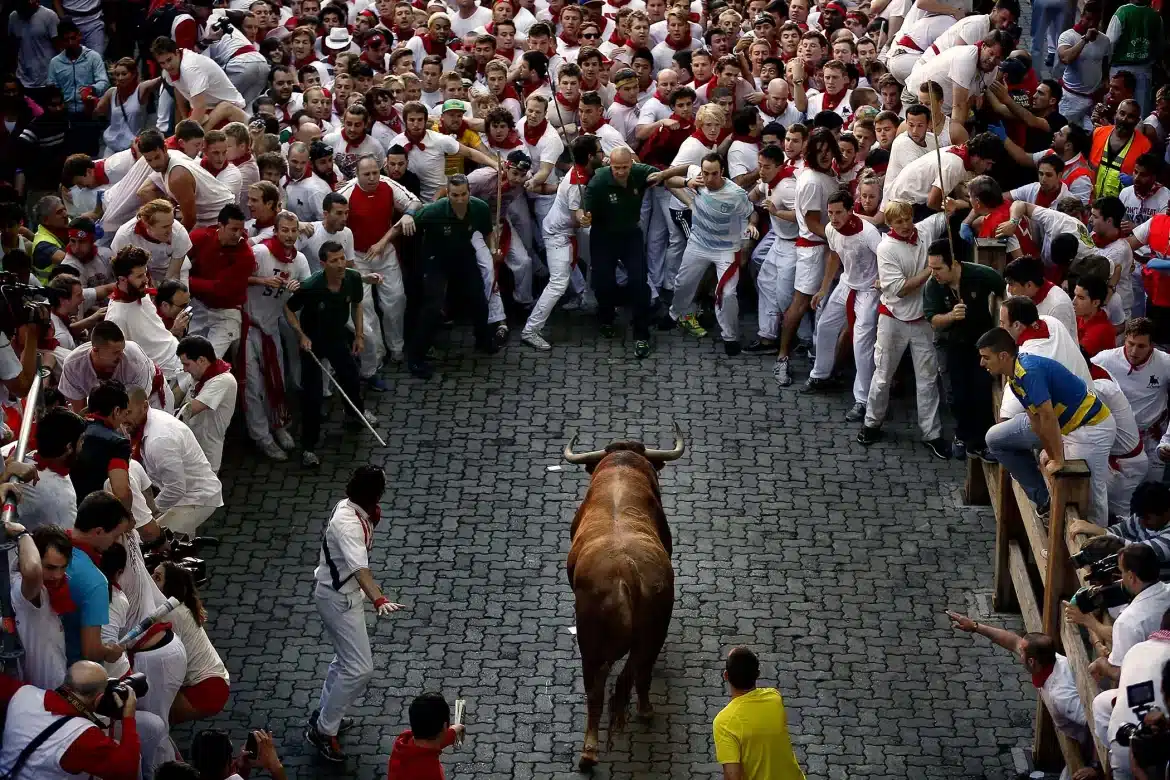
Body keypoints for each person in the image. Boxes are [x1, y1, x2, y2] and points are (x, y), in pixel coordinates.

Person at [306, 465, 404, 762]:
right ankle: (324, 730)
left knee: (345, 662)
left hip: (341, 596)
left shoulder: (350, 508)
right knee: (360, 668)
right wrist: (379, 599)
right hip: (338, 600)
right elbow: (361, 570)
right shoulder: (348, 525)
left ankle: (325, 716)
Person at [979, 326, 1117, 523]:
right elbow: (1036, 421)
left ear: (1002, 356)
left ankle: (1095, 548)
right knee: (997, 439)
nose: (982, 363)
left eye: (986, 357)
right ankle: (1046, 502)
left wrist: (1058, 459)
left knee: (1092, 496)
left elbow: (1048, 417)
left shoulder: (1028, 371)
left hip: (1090, 428)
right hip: (1068, 426)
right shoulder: (1015, 376)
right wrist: (1051, 453)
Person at [857, 203, 950, 458]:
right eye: (899, 222)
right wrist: (931, 271)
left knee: (928, 378)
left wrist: (954, 204)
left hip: (923, 320)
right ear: (890, 225)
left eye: (908, 219)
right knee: (883, 374)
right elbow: (900, 289)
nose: (906, 226)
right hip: (893, 320)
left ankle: (932, 433)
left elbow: (944, 216)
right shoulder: (886, 248)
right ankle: (872, 422)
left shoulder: (924, 230)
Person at [583, 146, 679, 359]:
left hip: (630, 235)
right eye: (617, 168)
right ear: (610, 165)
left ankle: (641, 334)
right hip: (603, 236)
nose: (621, 172)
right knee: (603, 282)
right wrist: (584, 218)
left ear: (631, 165)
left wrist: (679, 179)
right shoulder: (598, 182)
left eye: (625, 167)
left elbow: (667, 176)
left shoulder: (639, 172)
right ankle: (606, 317)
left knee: (639, 282)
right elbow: (584, 211)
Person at [284, 241, 376, 467]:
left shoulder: (353, 278)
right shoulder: (312, 286)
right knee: (313, 397)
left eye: (342, 258)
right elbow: (289, 308)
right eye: (334, 261)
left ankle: (356, 413)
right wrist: (300, 335)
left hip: (336, 338)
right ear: (323, 263)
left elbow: (357, 305)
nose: (340, 264)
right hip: (312, 344)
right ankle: (308, 447)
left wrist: (359, 335)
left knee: (351, 377)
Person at [946, 612, 1091, 749]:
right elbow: (1012, 641)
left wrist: (1094, 767)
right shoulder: (1053, 660)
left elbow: (1097, 725)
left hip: (1087, 748)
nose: (1017, 650)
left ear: (1032, 662)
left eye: (1021, 652)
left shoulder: (1061, 696)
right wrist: (975, 627)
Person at [924, 239, 1006, 461]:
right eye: (931, 268)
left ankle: (979, 442)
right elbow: (932, 319)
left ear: (954, 264)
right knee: (955, 393)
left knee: (980, 390)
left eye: (938, 268)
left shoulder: (981, 275)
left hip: (978, 343)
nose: (934, 274)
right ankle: (962, 435)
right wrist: (950, 316)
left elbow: (1004, 289)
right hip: (950, 343)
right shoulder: (933, 286)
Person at [337, 155, 420, 376]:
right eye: (367, 174)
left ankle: (397, 347)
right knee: (364, 306)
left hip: (385, 253)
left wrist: (408, 215)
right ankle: (376, 353)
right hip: (357, 257)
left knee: (396, 299)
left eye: (375, 172)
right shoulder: (346, 194)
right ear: (357, 175)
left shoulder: (388, 185)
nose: (373, 177)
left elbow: (414, 201)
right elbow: (332, 221)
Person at [666, 152, 755, 355]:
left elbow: (751, 213)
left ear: (722, 172)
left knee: (729, 294)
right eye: (705, 173)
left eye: (714, 174)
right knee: (683, 282)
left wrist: (749, 232)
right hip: (698, 244)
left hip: (726, 249)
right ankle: (674, 314)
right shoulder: (697, 179)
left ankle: (730, 337)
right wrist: (687, 183)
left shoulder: (736, 193)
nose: (709, 179)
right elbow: (668, 181)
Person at [0, 660, 143, 779]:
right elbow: (127, 772)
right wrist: (128, 717)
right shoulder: (81, 735)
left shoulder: (23, 693)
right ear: (99, 698)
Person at [805, 190, 880, 413]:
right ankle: (820, 375)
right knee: (825, 326)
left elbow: (885, 258)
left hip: (869, 289)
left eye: (839, 212)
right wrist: (824, 288)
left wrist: (882, 284)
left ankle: (863, 400)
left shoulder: (869, 233)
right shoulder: (831, 229)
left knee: (862, 343)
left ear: (850, 211)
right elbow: (835, 256)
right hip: (847, 284)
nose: (834, 218)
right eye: (830, 213)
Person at [125, 386, 224, 537]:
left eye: (129, 413)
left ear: (144, 406)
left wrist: (151, 513)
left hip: (196, 498)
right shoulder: (144, 421)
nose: (124, 419)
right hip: (187, 493)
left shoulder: (159, 439)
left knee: (153, 537)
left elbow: (176, 489)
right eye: (123, 413)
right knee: (179, 540)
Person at [152, 561, 231, 725]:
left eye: (157, 578)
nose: (150, 579)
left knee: (156, 718)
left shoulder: (171, 613)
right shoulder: (181, 608)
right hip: (216, 682)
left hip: (205, 689)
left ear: (169, 586)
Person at [1093, 318, 1170, 482]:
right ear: (1125, 339)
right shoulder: (1104, 360)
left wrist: (1167, 440)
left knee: (1151, 492)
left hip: (1153, 438)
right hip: (1118, 439)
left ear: (1152, 346)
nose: (1134, 351)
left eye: (1141, 346)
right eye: (1130, 343)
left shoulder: (1165, 363)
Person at [711, 647, 806, 780]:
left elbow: (732, 776)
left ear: (725, 675)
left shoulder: (724, 723)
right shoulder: (774, 697)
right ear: (758, 674)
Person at [104, 246, 184, 384]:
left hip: (180, 354)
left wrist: (173, 332)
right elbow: (119, 363)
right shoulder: (116, 318)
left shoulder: (140, 291)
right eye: (139, 276)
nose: (146, 280)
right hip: (167, 375)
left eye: (145, 273)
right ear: (122, 280)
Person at [186, 204, 256, 359]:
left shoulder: (246, 256)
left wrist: (187, 281)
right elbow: (178, 263)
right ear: (220, 226)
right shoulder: (200, 238)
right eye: (233, 229)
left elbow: (220, 288)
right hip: (198, 306)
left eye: (241, 230)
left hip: (227, 313)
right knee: (188, 357)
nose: (238, 234)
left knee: (210, 360)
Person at [59, 320, 172, 414]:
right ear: (95, 350)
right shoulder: (73, 365)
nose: (121, 355)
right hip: (110, 406)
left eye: (122, 350)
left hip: (151, 400)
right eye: (115, 352)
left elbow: (137, 407)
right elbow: (81, 413)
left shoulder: (134, 359)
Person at [7, 407, 86, 530]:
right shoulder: (58, 497)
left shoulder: (26, 458)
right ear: (69, 447)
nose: (83, 446)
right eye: (81, 441)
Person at [1070, 482, 1170, 578]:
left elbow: (1140, 553)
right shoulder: (1143, 516)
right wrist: (1098, 535)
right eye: (1140, 517)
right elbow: (1121, 530)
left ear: (1166, 512)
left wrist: (1101, 532)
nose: (1142, 522)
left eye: (1147, 518)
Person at [175, 335, 237, 473]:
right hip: (188, 450)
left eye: (186, 364)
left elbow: (188, 410)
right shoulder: (196, 374)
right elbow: (175, 395)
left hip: (206, 456)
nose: (185, 369)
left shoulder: (223, 380)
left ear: (201, 360)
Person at [386, 692, 467, 779]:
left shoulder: (402, 744)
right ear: (444, 727)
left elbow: (431, 742)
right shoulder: (433, 774)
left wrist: (453, 731)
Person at [1074, 275, 1117, 357]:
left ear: (1096, 303)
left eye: (1080, 298)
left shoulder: (1102, 330)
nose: (1074, 302)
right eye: (1075, 295)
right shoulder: (1078, 317)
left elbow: (1074, 357)